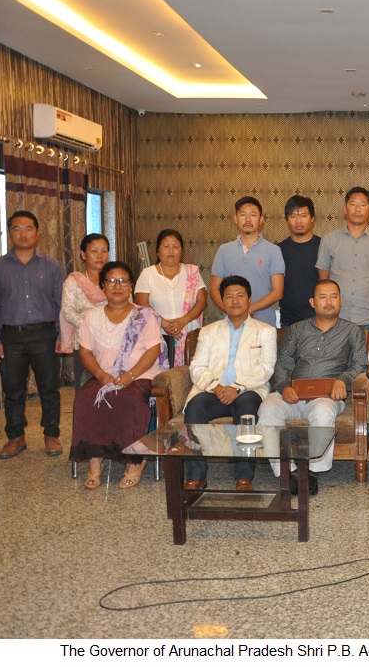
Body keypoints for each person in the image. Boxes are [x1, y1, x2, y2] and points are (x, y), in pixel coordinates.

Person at [257, 279, 368, 496]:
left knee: (323, 411)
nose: (329, 302)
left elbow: (360, 363)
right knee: (267, 408)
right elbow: (283, 363)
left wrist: (343, 379)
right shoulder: (297, 330)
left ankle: (312, 473)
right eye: (322, 297)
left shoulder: (352, 331)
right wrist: (283, 385)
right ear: (312, 302)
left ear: (341, 300)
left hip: (326, 396)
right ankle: (285, 472)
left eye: (333, 296)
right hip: (293, 394)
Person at [69, 261, 166, 489]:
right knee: (86, 399)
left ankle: (134, 460)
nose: (117, 285)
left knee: (130, 400)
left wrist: (131, 375)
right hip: (105, 376)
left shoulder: (145, 315)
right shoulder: (91, 317)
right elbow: (85, 351)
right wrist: (101, 375)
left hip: (140, 375)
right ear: (103, 286)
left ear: (131, 286)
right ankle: (95, 460)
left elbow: (154, 350)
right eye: (111, 281)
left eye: (123, 281)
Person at [0, 211, 65, 459]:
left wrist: (62, 335)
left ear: (37, 233)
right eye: (17, 229)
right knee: (13, 390)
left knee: (49, 388)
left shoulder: (51, 266)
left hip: (45, 335)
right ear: (10, 233)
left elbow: (61, 303)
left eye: (28, 228)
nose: (23, 233)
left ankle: (51, 435)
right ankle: (16, 437)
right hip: (10, 338)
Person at [183, 275, 277, 492]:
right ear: (222, 302)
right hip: (213, 388)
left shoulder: (266, 331)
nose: (235, 301)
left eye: (240, 296)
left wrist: (237, 387)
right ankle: (196, 475)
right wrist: (217, 387)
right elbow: (197, 366)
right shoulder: (208, 331)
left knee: (247, 409)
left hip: (249, 389)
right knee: (195, 407)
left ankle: (244, 476)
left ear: (249, 299)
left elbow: (265, 369)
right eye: (229, 297)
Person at [316, 186, 369, 366]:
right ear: (345, 209)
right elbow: (323, 281)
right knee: (335, 371)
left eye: (362, 204)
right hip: (337, 321)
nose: (358, 209)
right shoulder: (329, 240)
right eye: (353, 204)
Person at [210, 196, 285, 327]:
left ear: (261, 219)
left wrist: (246, 310)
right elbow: (214, 290)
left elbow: (278, 292)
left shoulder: (273, 250)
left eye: (253, 214)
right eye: (243, 214)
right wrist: (233, 312)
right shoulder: (224, 250)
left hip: (264, 324)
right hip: (231, 324)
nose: (248, 219)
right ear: (235, 219)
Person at [134, 229, 206, 366]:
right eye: (166, 246)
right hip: (156, 334)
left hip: (188, 334)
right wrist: (164, 324)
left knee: (187, 377)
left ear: (182, 251)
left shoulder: (192, 272)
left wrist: (182, 321)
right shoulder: (147, 274)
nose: (171, 250)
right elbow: (142, 304)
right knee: (160, 380)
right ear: (157, 251)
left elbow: (201, 301)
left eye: (175, 246)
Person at [60, 233, 109, 386]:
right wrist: (92, 326)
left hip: (113, 340)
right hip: (84, 341)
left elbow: (128, 307)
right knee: (85, 388)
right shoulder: (74, 281)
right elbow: (68, 311)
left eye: (104, 251)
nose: (100, 255)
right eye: (94, 251)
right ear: (83, 254)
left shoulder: (114, 279)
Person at [277, 195, 321, 328]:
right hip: (289, 322)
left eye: (303, 215)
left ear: (312, 219)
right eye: (293, 216)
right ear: (286, 220)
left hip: (319, 320)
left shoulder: (324, 246)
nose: (298, 221)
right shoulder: (278, 250)